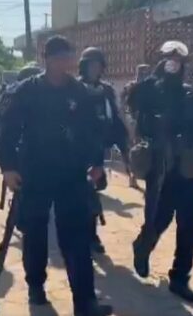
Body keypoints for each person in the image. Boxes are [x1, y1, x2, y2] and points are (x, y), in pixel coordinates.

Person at [0, 36, 113, 316]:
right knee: (35, 233)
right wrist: (8, 167)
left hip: (70, 173)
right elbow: (8, 132)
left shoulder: (80, 92)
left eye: (67, 56)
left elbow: (91, 132)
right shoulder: (26, 91)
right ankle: (36, 287)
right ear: (46, 59)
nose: (63, 62)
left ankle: (85, 304)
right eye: (57, 57)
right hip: (34, 172)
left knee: (77, 237)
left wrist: (97, 162)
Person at [126, 40, 193, 303]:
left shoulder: (190, 96)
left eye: (178, 61)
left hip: (186, 168)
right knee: (159, 217)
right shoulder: (149, 91)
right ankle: (143, 247)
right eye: (168, 58)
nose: (173, 63)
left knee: (192, 219)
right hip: (160, 167)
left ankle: (180, 277)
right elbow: (133, 103)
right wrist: (152, 77)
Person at [78, 47, 130, 255]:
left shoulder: (106, 90)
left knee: (92, 193)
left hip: (96, 151)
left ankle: (90, 235)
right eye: (91, 65)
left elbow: (115, 120)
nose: (95, 69)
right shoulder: (73, 87)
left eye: (98, 65)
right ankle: (84, 235)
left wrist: (124, 145)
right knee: (78, 196)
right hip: (74, 151)